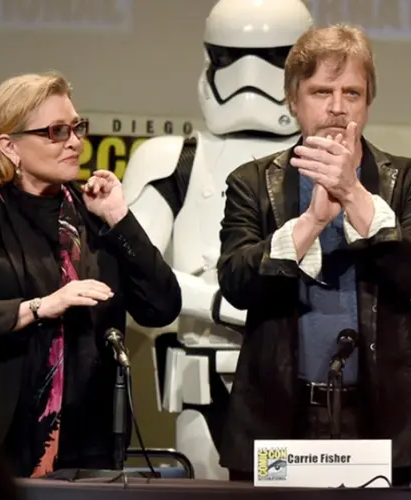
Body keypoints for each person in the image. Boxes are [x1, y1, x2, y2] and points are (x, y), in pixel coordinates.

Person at [216, 24, 411, 485]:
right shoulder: (251, 182)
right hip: (278, 417)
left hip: (379, 419)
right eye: (322, 91)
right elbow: (238, 284)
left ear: (368, 102)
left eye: (352, 93)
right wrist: (312, 223)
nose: (338, 107)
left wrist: (353, 194)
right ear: (293, 100)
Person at [121, 0, 314, 480]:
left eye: (273, 57)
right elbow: (133, 271)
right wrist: (219, 302)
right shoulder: (174, 160)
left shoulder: (330, 159)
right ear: (210, 58)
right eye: (230, 57)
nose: (249, 76)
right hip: (206, 373)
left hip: (307, 373)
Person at [0, 71, 182, 478]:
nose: (74, 141)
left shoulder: (93, 215)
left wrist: (120, 219)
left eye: (77, 127)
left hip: (90, 446)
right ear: (9, 145)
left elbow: (161, 306)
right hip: (0, 446)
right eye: (56, 131)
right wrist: (39, 307)